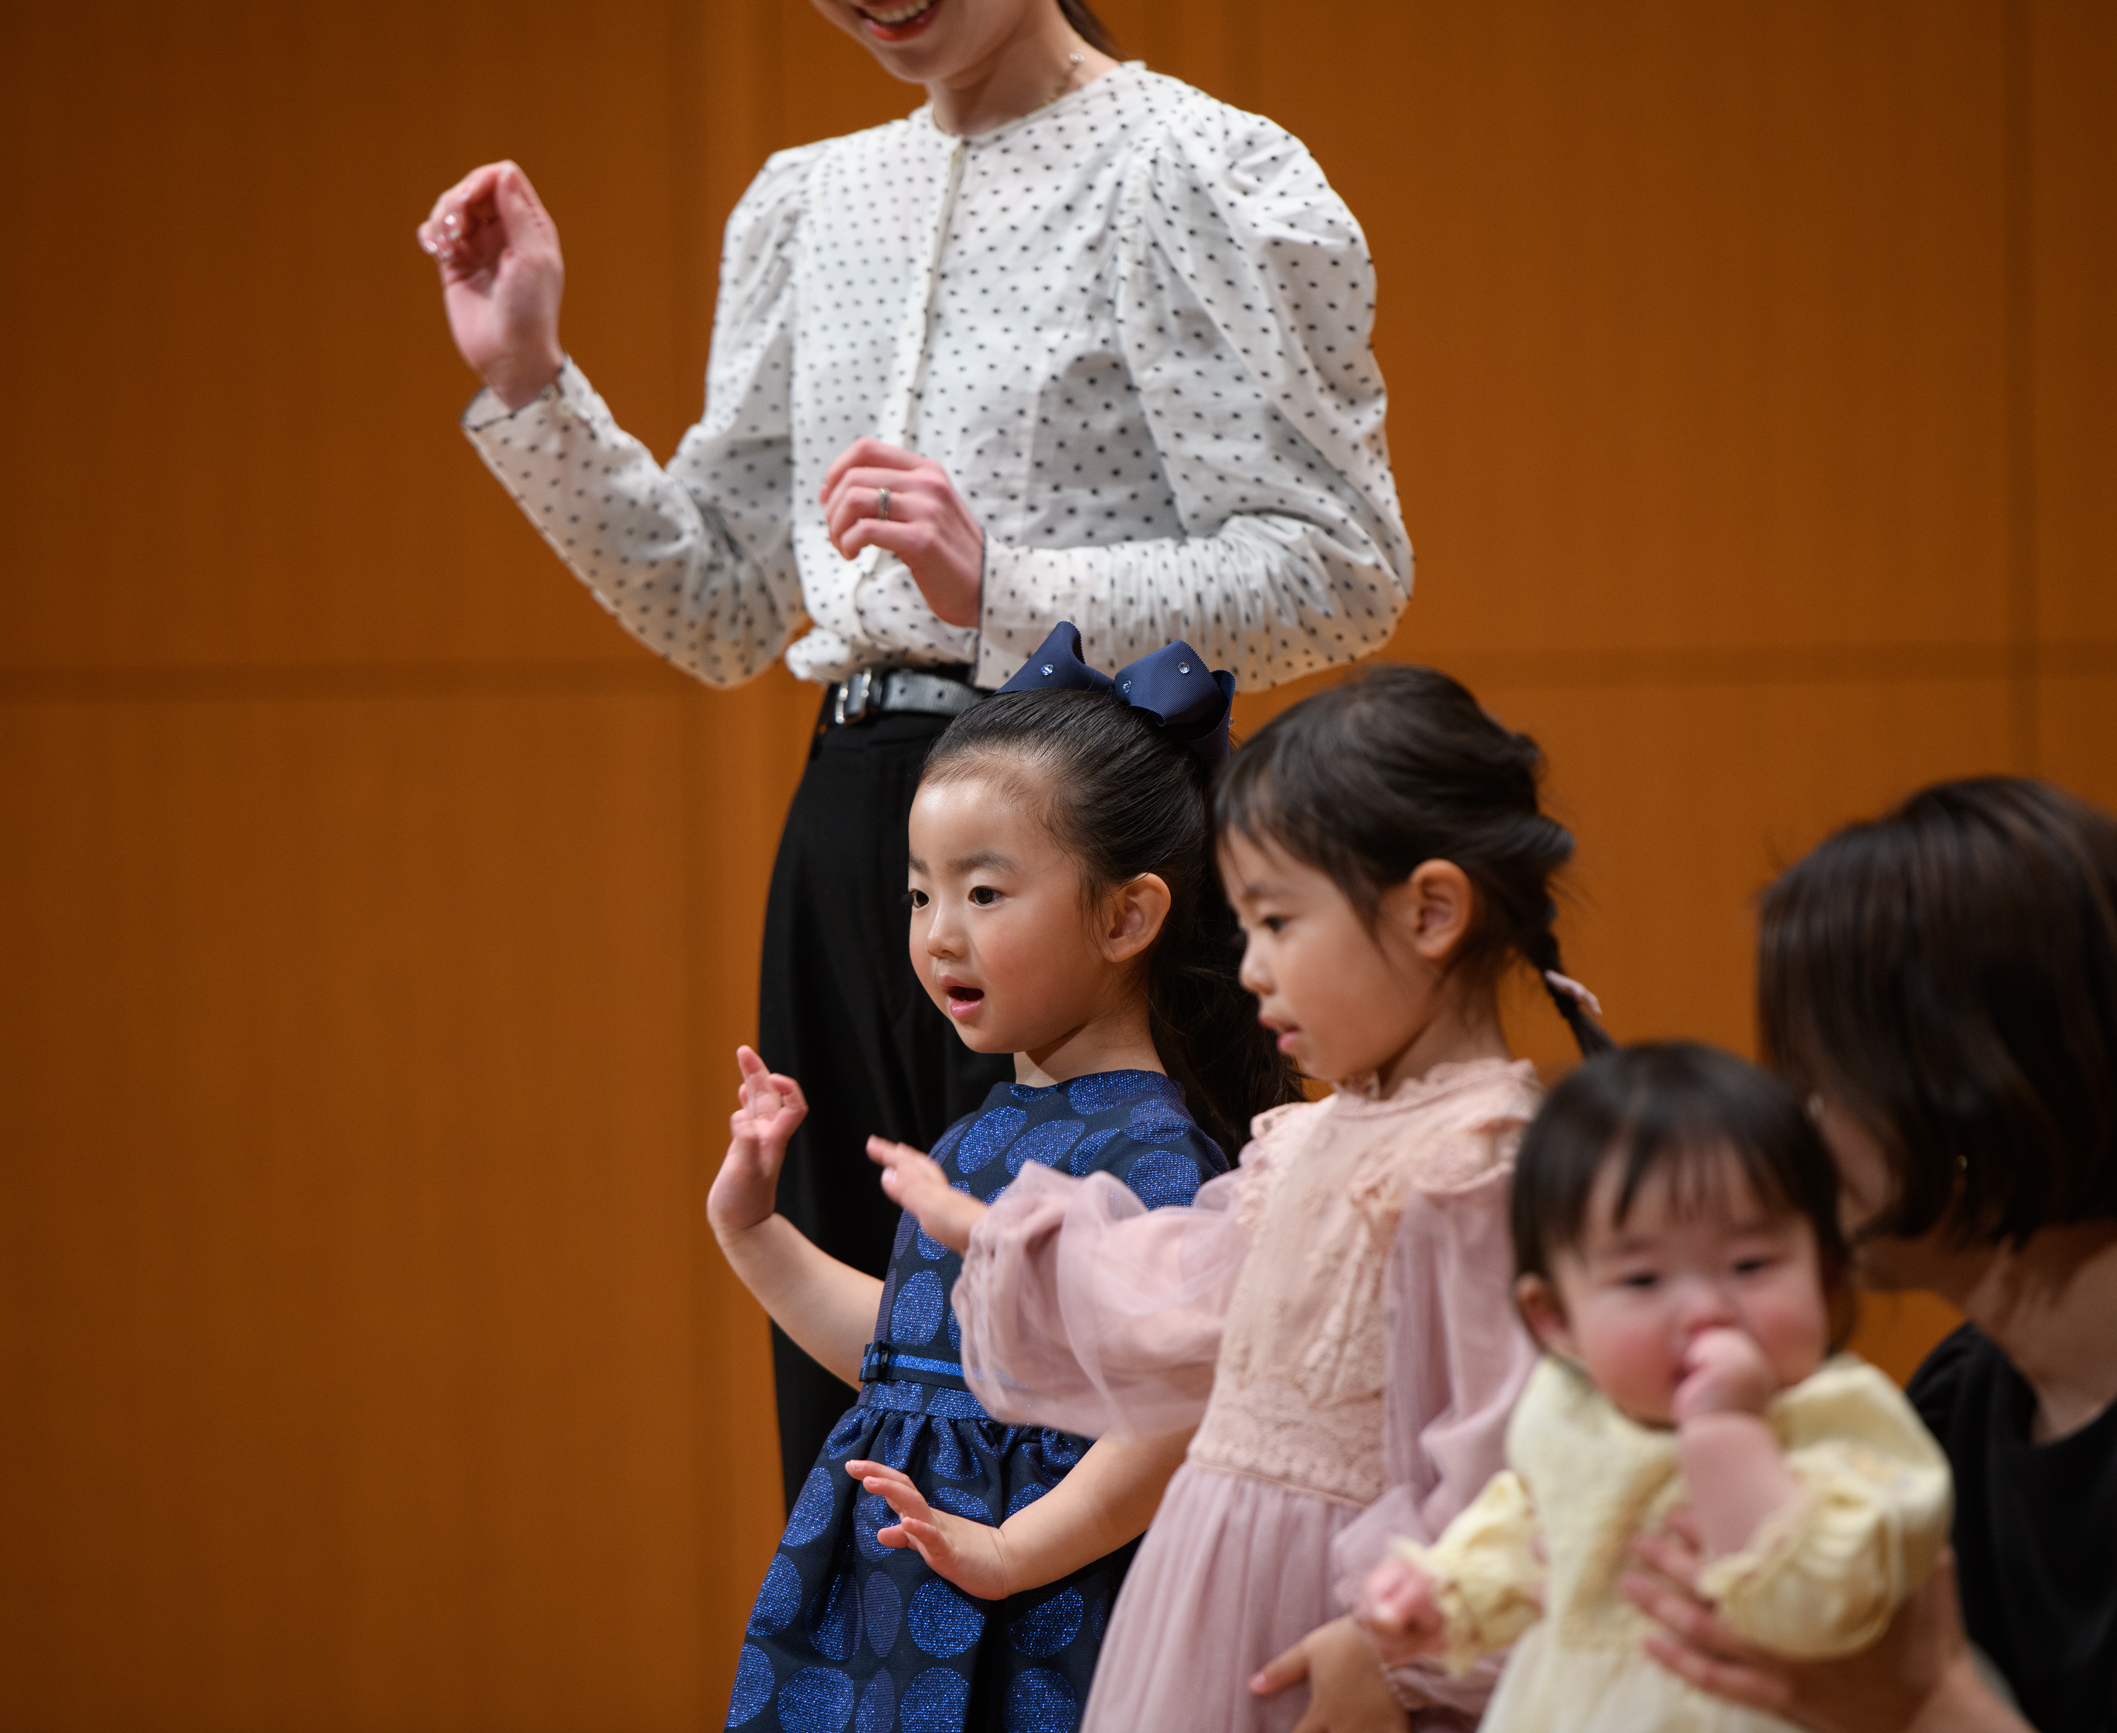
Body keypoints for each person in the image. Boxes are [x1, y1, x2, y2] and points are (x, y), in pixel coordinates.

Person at [417, 0, 1413, 1505]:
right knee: (860, 1394)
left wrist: (1002, 585)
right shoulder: (806, 199)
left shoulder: (1194, 167)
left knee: (1076, 1405)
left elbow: (1339, 570)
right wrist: (529, 386)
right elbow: (718, 606)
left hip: (1087, 836)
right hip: (858, 835)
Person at [897, 665, 1603, 1733]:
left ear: (1430, 911)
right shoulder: (1308, 1136)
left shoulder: (1476, 1165)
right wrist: (1004, 1235)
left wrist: (1398, 1653)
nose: (1253, 968)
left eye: (1277, 922)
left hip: (1342, 1632)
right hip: (1208, 1613)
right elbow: (1185, 1303)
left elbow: (1514, 1465)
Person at [706, 627, 1295, 1732]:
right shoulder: (987, 1127)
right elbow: (914, 1359)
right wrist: (754, 1230)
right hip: (909, 1591)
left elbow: (1174, 1411)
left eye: (982, 892)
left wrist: (1013, 1548)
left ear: (1126, 915)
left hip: (1037, 1617)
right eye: (918, 895)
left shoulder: (1152, 1152)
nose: (937, 936)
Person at [1622, 777, 2117, 1733]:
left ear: (1968, 1084)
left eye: (1818, 1084)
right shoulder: (1960, 1396)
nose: (1790, 1141)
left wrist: (1931, 1706)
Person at [1358, 1042, 1954, 1733]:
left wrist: (1729, 1432)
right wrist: (1449, 1592)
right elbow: (1537, 1528)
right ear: (1556, 1319)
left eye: (1751, 1264)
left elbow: (1823, 1602)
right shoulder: (1571, 1409)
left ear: (1825, 1277)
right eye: (1642, 1279)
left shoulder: (1838, 1416)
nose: (1706, 1309)